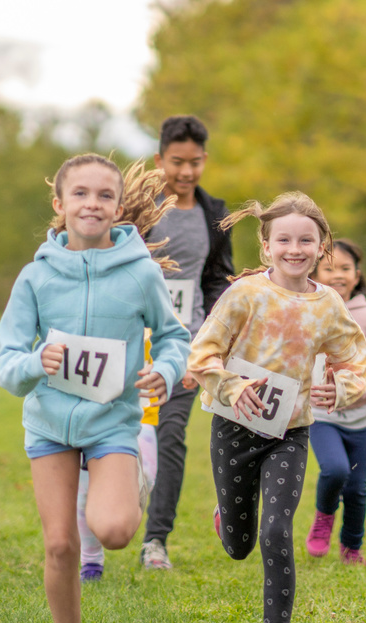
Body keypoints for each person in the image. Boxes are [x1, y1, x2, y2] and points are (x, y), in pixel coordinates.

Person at [0, 154, 191, 623]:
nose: (92, 203)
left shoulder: (141, 274)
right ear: (59, 203)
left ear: (119, 208)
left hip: (111, 423)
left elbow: (173, 338)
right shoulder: (35, 277)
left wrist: (164, 369)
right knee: (60, 544)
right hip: (50, 424)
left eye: (105, 195)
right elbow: (5, 360)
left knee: (116, 531)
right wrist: (37, 362)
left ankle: (133, 477)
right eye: (80, 193)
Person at [188, 192, 366, 623]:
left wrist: (341, 389)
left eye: (305, 241)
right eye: (284, 240)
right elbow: (202, 353)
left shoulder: (328, 304)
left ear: (321, 246)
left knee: (275, 531)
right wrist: (231, 387)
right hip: (234, 428)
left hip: (289, 433)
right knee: (239, 547)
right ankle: (226, 513)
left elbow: (356, 359)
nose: (295, 250)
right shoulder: (245, 294)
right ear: (266, 246)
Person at [141, 114, 235, 571]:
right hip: (133, 343)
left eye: (194, 162)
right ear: (160, 160)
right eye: (176, 162)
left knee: (171, 436)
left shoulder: (215, 214)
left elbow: (217, 279)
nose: (185, 172)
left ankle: (155, 540)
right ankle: (104, 522)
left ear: (204, 161)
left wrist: (211, 338)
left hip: (186, 346)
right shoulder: (139, 209)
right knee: (126, 436)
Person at [304, 239, 366, 566]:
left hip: (360, 417)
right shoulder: (306, 309)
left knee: (357, 490)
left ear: (358, 275)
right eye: (329, 268)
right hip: (320, 414)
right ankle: (323, 516)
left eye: (345, 269)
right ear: (315, 271)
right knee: (334, 470)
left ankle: (351, 547)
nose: (338, 275)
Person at [78, 333, 160, 582]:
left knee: (145, 475)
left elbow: (175, 339)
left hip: (141, 414)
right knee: (84, 491)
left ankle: (121, 518)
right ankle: (91, 558)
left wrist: (178, 367)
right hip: (94, 416)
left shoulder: (152, 309)